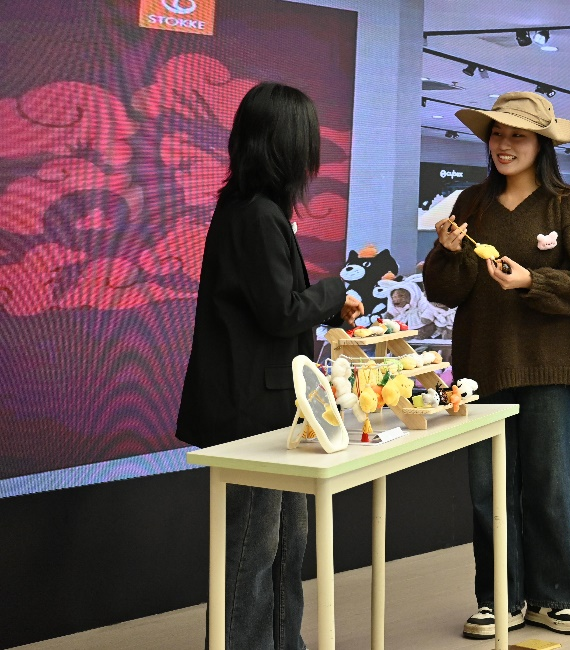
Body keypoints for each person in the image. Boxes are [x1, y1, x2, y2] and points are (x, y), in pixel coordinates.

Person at [175, 82, 363, 650]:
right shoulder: (257, 216)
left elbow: (275, 305)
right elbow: (281, 312)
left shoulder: (250, 209)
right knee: (253, 550)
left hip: (268, 402)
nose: (313, 157)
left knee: (283, 544)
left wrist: (327, 298)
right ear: (284, 146)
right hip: (252, 409)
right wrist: (338, 288)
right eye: (307, 141)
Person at [423, 91, 570, 640]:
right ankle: (500, 598)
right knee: (488, 492)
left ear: (541, 144)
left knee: (547, 485)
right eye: (497, 134)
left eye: (517, 136)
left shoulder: (568, 204)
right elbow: (444, 293)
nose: (504, 145)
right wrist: (448, 252)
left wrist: (530, 280)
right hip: (483, 369)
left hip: (552, 368)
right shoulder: (471, 202)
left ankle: (555, 598)